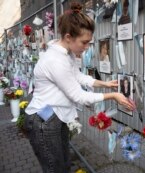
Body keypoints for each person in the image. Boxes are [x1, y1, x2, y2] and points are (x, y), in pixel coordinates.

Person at [24, 2, 134, 173]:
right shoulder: (56, 60)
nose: (87, 47)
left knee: (64, 164)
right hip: (43, 122)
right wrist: (112, 96)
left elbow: (77, 76)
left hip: (54, 116)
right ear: (68, 37)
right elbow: (79, 96)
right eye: (84, 42)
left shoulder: (65, 53)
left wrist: (104, 84)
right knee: (55, 169)